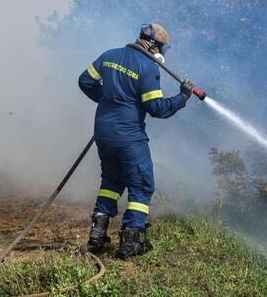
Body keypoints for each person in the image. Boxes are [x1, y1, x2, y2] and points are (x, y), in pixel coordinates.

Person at [78, 23, 194, 259]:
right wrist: (183, 96)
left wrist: (109, 101)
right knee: (141, 184)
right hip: (128, 136)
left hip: (103, 132)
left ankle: (97, 236)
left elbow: (85, 81)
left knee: (112, 179)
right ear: (154, 46)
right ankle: (130, 243)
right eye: (162, 48)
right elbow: (157, 109)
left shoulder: (109, 56)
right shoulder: (147, 67)